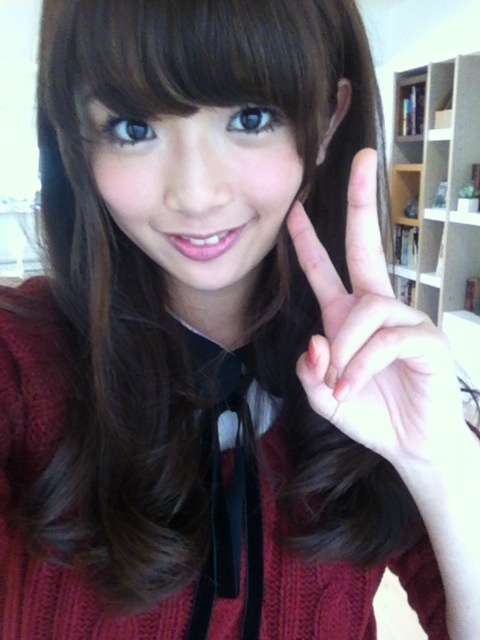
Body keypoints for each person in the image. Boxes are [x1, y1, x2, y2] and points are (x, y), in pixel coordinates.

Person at [0, 0, 479, 638]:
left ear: (327, 119)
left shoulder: (382, 377)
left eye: (250, 118)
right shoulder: (18, 364)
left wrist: (442, 465)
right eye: (134, 128)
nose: (197, 195)